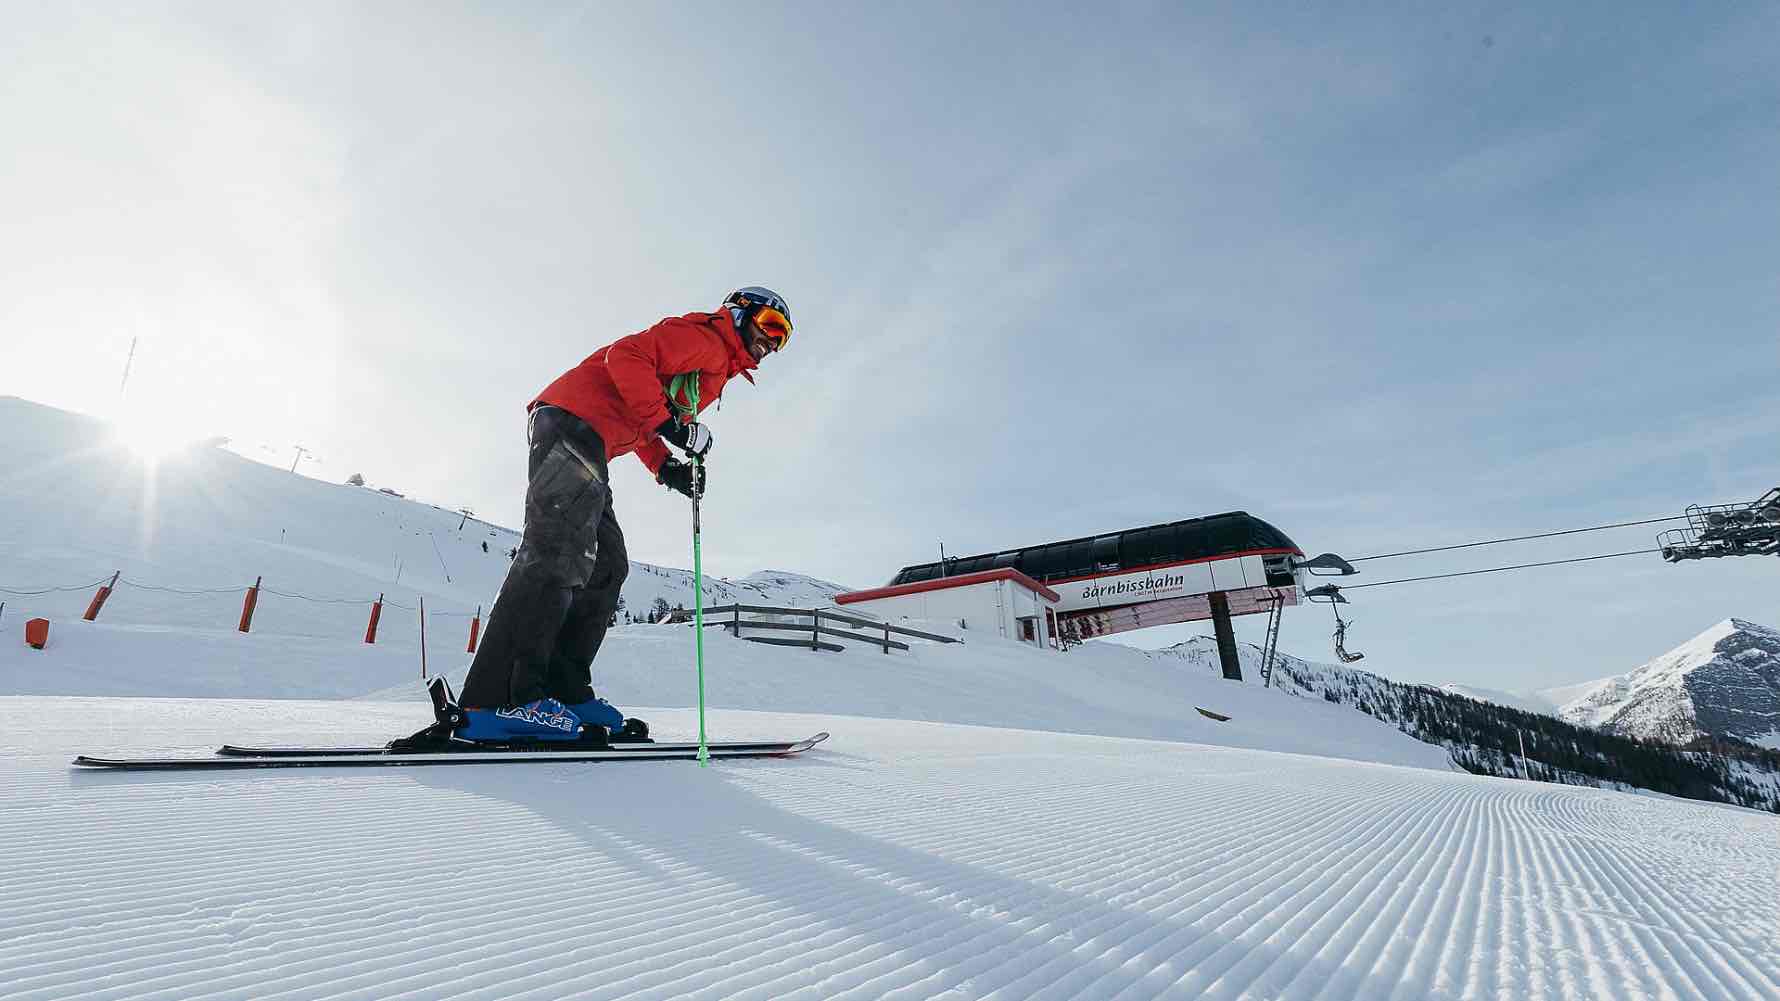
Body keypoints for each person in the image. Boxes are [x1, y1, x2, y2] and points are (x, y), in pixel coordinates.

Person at [454, 287, 794, 743]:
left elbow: (642, 409)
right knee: (556, 553)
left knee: (608, 565)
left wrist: (665, 466)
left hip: (592, 440)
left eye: (783, 338)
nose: (772, 343)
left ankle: (565, 690)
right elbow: (626, 358)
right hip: (573, 423)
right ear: (740, 313)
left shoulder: (716, 371)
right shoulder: (709, 340)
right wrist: (672, 427)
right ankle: (499, 702)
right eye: (771, 325)